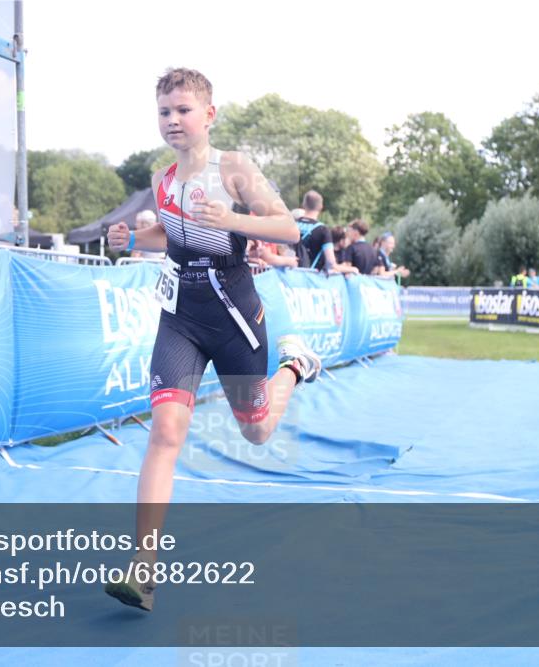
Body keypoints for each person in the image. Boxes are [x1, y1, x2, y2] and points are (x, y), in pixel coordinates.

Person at [103, 68, 322, 612]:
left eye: (183, 110)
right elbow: (169, 236)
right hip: (180, 316)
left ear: (209, 115)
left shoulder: (235, 168)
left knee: (257, 431)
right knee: (165, 430)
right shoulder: (160, 181)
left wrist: (234, 218)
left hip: (233, 317)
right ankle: (143, 569)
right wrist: (131, 236)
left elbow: (292, 230)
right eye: (164, 111)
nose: (173, 120)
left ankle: (294, 368)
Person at [293, 190, 356, 274]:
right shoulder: (323, 230)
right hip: (308, 278)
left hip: (287, 275)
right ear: (321, 207)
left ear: (303, 204)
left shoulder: (292, 224)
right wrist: (352, 269)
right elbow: (330, 263)